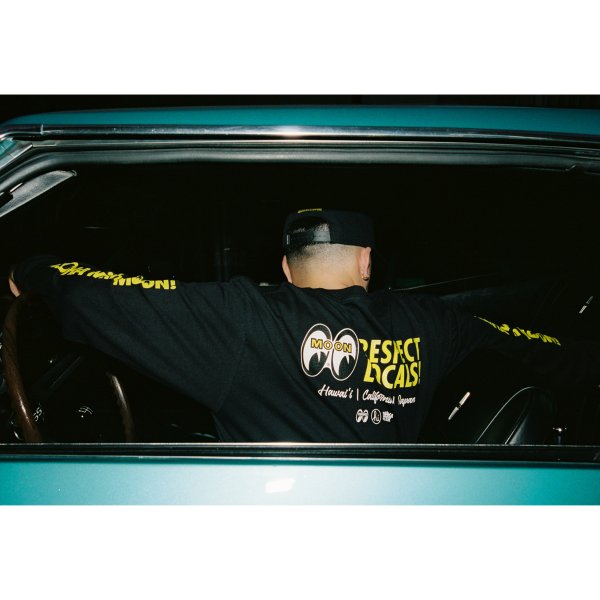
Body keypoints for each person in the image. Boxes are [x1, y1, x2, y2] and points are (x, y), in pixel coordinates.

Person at [8, 208, 600, 442]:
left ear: (287, 270)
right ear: (367, 262)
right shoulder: (433, 322)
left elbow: (107, 295)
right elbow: (537, 349)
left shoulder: (243, 316)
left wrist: (32, 271)